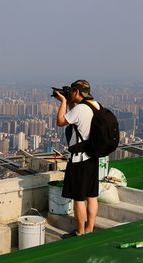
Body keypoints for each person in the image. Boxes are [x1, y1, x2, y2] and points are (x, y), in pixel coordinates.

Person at [55, 79, 100, 238]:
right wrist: (69, 102)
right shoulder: (96, 105)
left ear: (77, 92)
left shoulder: (80, 109)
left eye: (72, 91)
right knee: (92, 196)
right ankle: (90, 229)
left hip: (79, 160)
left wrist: (62, 102)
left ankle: (80, 232)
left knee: (79, 198)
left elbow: (61, 121)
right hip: (93, 157)